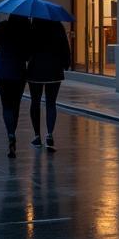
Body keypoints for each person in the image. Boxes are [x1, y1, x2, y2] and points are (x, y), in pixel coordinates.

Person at [27, 19, 70, 151]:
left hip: (36, 69)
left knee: (35, 102)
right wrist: (65, 63)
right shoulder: (58, 27)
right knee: (51, 103)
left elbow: (27, 49)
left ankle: (36, 136)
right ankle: (50, 134)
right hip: (54, 69)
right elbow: (65, 47)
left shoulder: (33, 26)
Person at [0, 15, 30, 158]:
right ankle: (13, 132)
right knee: (16, 105)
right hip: (18, 72)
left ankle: (10, 134)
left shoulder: (2, 29)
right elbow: (27, 56)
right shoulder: (26, 32)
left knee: (6, 105)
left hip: (2, 70)